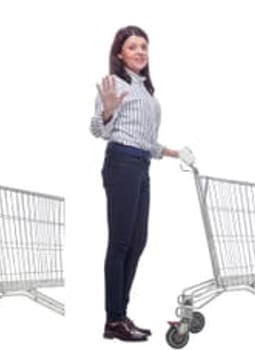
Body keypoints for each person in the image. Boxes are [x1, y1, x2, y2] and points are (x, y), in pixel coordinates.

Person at [87, 25, 182, 343]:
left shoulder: (146, 90)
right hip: (121, 163)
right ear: (119, 54)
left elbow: (147, 141)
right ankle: (113, 319)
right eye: (132, 47)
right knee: (120, 243)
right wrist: (109, 110)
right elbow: (97, 130)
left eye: (144, 46)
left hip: (140, 164)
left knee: (138, 242)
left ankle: (120, 315)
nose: (140, 51)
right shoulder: (113, 83)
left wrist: (174, 152)